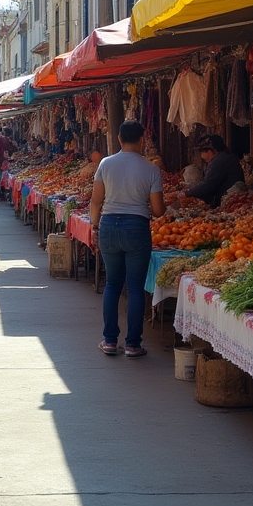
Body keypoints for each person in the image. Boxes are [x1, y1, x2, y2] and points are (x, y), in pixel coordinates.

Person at [88, 120, 166, 358]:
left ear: (119, 139)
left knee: (112, 284)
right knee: (135, 288)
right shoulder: (151, 169)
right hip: (136, 227)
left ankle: (110, 341)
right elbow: (158, 210)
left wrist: (94, 225)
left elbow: (96, 200)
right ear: (142, 140)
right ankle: (133, 344)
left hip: (109, 226)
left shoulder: (105, 164)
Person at [186, 134, 245, 208]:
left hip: (230, 201)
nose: (202, 156)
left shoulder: (220, 161)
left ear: (213, 149)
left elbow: (207, 186)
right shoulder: (227, 157)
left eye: (203, 151)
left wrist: (187, 192)